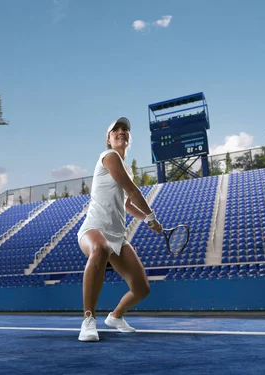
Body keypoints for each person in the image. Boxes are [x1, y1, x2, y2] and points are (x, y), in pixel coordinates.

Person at [77, 116, 162, 342]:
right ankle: (88, 319)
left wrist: (145, 219)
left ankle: (115, 316)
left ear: (129, 138)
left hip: (117, 236)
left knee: (142, 289)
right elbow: (133, 191)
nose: (121, 131)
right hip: (93, 229)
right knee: (100, 249)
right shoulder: (109, 156)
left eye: (125, 129)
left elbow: (126, 203)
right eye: (116, 130)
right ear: (108, 139)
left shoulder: (127, 169)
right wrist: (152, 218)